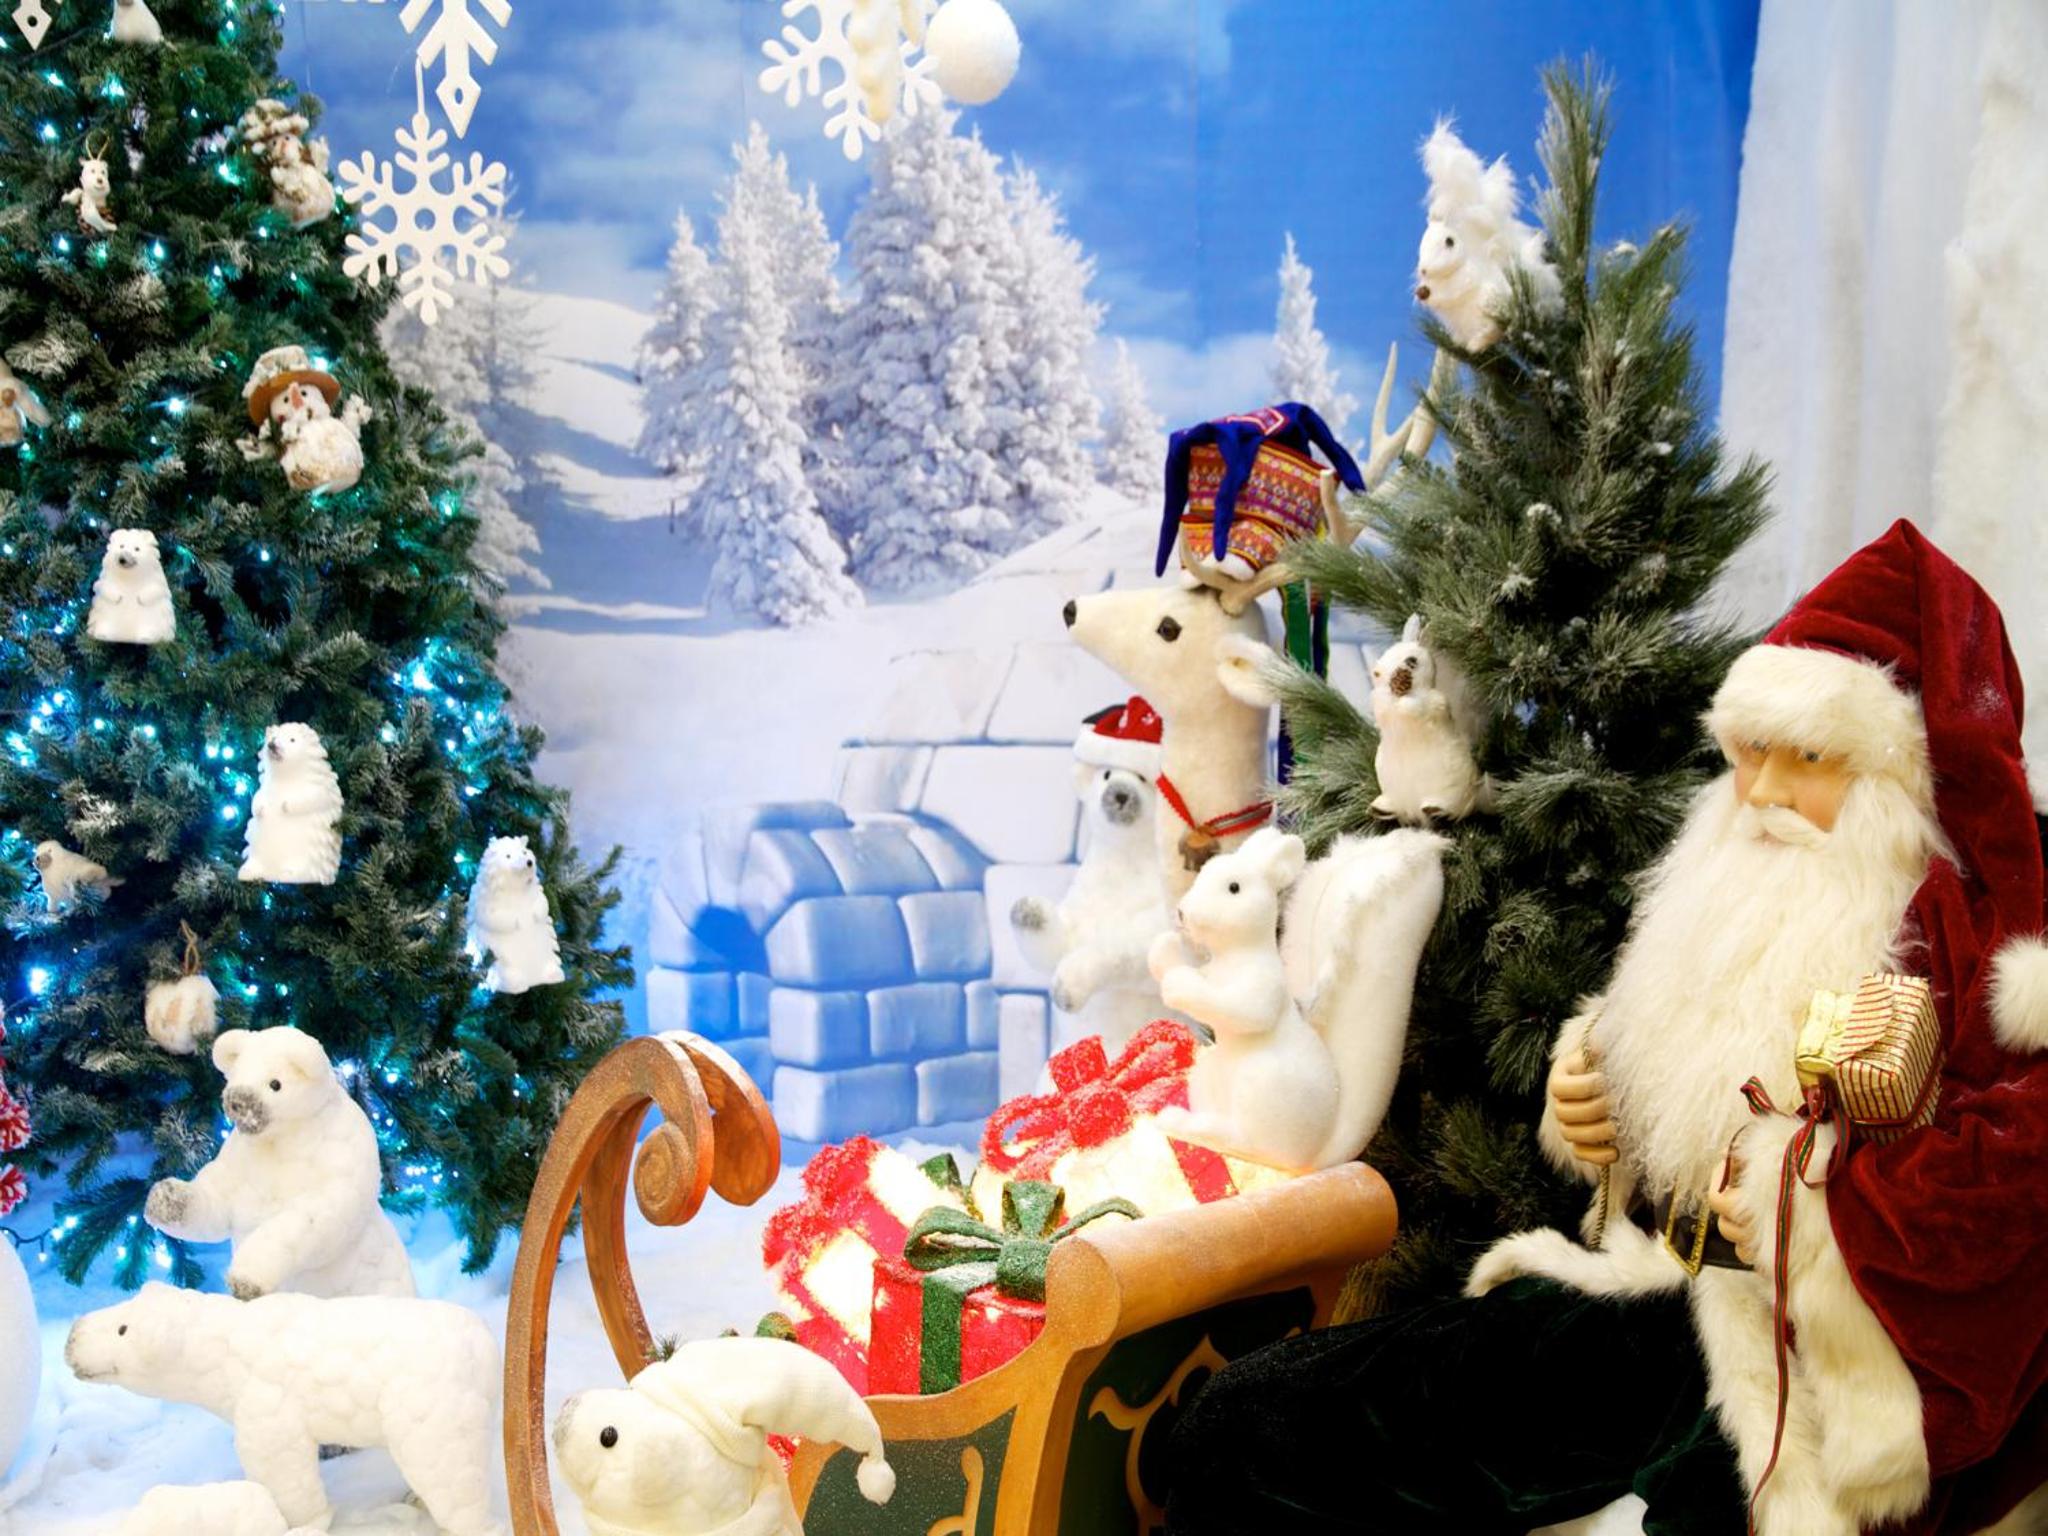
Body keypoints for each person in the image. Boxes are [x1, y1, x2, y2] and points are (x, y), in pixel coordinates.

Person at [1164, 521, 2048, 1536]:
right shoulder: (1739, 863)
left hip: (1808, 1368)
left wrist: (1805, 1203)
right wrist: (1598, 1099)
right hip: (1651, 1292)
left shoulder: (1987, 942)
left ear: (1898, 768)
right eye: (1747, 755)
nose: (1760, 795)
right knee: (1250, 1421)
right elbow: (1677, 1083)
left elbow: (2012, 1185)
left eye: (1804, 758)